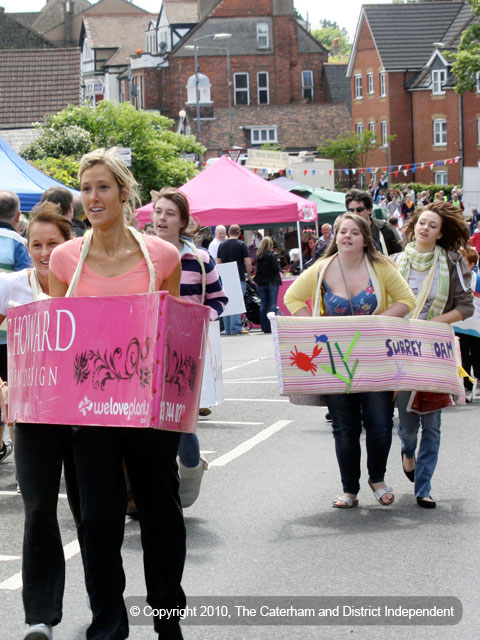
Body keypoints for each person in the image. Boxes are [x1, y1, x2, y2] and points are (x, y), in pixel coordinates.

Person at [49, 148, 185, 640]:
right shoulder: (65, 258)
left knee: (161, 515)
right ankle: (108, 623)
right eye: (85, 189)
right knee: (97, 519)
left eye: (102, 187)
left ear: (124, 193)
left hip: (148, 412)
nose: (92, 198)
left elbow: (175, 335)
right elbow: (57, 337)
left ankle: (168, 618)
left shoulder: (163, 256)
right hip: (90, 411)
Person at [284, 213, 416, 509]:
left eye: (354, 232)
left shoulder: (381, 267)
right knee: (344, 427)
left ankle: (378, 480)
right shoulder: (320, 268)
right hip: (334, 362)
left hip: (374, 359)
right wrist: (316, 328)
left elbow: (407, 300)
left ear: (365, 239)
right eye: (342, 232)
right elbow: (292, 298)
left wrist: (375, 322)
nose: (347, 237)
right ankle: (350, 490)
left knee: (380, 424)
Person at [0, 205, 80, 640]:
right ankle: (39, 617)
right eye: (36, 245)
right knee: (38, 511)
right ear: (25, 246)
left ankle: (106, 607)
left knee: (90, 513)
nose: (45, 253)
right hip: (33, 415)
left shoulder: (86, 284)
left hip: (86, 416)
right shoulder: (12, 285)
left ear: (70, 244)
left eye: (54, 244)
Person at [395, 201, 474, 509]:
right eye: (421, 223)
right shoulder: (395, 261)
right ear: (414, 226)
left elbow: (465, 307)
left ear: (441, 234)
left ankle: (424, 488)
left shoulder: (452, 262)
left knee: (433, 422)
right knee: (408, 421)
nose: (425, 228)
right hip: (401, 349)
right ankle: (407, 450)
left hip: (435, 349)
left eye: (432, 225)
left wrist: (430, 324)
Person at [152, 186, 227, 506]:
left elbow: (219, 300)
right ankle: (152, 488)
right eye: (158, 212)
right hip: (148, 349)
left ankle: (192, 469)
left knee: (179, 419)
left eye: (170, 213)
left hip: (185, 352)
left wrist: (196, 319)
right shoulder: (142, 253)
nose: (162, 218)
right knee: (150, 421)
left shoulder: (200, 258)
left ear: (183, 221)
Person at [0, 191, 32, 467]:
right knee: (15, 398)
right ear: (18, 216)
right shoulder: (20, 243)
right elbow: (27, 293)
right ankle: (23, 463)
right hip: (13, 339)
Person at [454, 247, 480, 402]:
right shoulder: (454, 279)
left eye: (463, 262)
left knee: (478, 357)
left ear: (471, 264)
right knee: (462, 357)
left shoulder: (477, 279)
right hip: (459, 325)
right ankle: (467, 387)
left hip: (477, 326)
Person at [217, 224, 251, 335]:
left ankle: (228, 327)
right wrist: (249, 274)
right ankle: (236, 327)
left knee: (227, 303)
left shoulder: (221, 245)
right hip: (239, 275)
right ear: (239, 233)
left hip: (225, 276)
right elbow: (247, 261)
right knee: (236, 301)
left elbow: (218, 262)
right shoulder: (242, 245)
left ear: (228, 232)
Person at [345, 189, 402, 255]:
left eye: (359, 210)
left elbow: (400, 257)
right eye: (351, 211)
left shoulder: (385, 229)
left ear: (369, 210)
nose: (355, 214)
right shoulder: (344, 234)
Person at [254, 237, 282, 333]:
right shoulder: (272, 256)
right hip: (272, 282)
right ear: (271, 245)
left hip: (261, 283)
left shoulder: (259, 256)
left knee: (263, 305)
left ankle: (264, 327)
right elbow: (275, 268)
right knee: (273, 305)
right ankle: (272, 326)